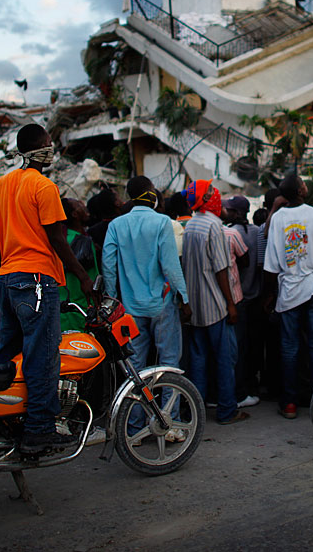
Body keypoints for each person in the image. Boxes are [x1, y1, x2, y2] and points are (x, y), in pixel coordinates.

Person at [0, 124, 92, 456]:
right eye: (48, 144)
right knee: (43, 357)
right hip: (36, 280)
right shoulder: (44, 186)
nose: (52, 149)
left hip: (8, 279)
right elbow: (57, 239)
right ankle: (39, 430)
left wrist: (0, 275)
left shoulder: (1, 185)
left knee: (6, 355)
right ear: (37, 149)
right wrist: (82, 277)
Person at [101, 176, 190, 439]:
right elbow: (170, 265)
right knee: (169, 363)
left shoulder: (117, 225)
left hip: (130, 307)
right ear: (151, 194)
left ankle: (135, 426)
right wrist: (183, 297)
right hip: (161, 304)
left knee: (136, 367)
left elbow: (108, 265)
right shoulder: (162, 222)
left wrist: (112, 298)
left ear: (128, 195)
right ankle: (168, 422)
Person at [263, 174, 313, 420]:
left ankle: (290, 403)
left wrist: (270, 294)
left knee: (290, 348)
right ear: (301, 190)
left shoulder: (278, 219)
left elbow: (271, 265)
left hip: (289, 290)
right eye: (304, 183)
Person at [182, 180, 249, 426]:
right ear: (206, 199)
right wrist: (231, 305)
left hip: (196, 306)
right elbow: (222, 269)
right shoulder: (214, 226)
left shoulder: (190, 225)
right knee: (225, 360)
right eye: (211, 192)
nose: (216, 195)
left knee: (198, 361)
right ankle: (226, 411)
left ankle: (196, 413)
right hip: (216, 305)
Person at [224, 195, 263, 408]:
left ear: (237, 213)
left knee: (239, 348)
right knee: (254, 346)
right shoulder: (257, 232)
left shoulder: (231, 233)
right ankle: (253, 384)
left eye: (229, 210)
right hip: (256, 295)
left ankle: (241, 389)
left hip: (240, 298)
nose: (225, 212)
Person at [59, 198, 98, 333]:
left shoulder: (60, 238)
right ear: (74, 214)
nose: (84, 206)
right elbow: (92, 276)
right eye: (79, 205)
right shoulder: (82, 241)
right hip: (80, 309)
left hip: (61, 310)